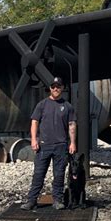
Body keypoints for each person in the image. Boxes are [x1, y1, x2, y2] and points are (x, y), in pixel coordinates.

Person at [21, 77, 77, 210]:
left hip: (61, 145)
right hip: (44, 145)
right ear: (50, 88)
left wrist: (73, 143)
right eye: (53, 86)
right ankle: (32, 200)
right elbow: (35, 122)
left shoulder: (67, 106)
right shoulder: (42, 104)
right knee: (39, 174)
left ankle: (57, 200)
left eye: (58, 86)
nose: (56, 89)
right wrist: (34, 139)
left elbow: (72, 125)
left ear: (62, 88)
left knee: (59, 175)